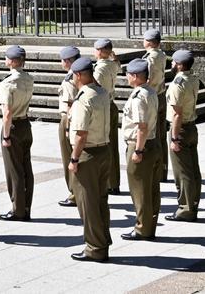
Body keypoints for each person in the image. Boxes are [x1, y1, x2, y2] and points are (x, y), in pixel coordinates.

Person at [66, 57, 111, 263]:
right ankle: (102, 242)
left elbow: (81, 134)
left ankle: (94, 248)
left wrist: (74, 159)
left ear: (78, 75)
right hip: (104, 151)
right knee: (101, 200)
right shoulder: (102, 92)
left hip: (88, 154)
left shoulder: (84, 99)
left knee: (88, 203)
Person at [121, 58, 161, 241]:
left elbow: (141, 126)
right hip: (151, 142)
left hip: (139, 144)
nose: (127, 77)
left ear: (135, 76)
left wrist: (138, 150)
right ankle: (149, 225)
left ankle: (142, 228)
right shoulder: (151, 91)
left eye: (128, 74)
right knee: (151, 188)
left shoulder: (138, 96)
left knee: (140, 189)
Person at [0, 45, 34, 221]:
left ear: (11, 61)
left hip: (13, 127)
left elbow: (7, 113)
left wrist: (5, 136)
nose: (5, 60)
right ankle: (26, 206)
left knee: (14, 170)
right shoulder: (29, 78)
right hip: (26, 123)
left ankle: (17, 209)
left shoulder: (7, 83)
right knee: (26, 167)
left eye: (6, 58)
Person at [165, 49, 202, 222]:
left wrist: (173, 138)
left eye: (173, 62)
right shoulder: (193, 79)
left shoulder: (177, 84)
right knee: (193, 170)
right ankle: (193, 204)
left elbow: (176, 114)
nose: (171, 64)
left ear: (179, 65)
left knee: (183, 172)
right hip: (191, 126)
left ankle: (186, 209)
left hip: (180, 129)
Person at [92, 38, 122, 194]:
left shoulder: (98, 69)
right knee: (113, 144)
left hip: (103, 107)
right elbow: (118, 65)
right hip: (112, 104)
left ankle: (108, 182)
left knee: (104, 145)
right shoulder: (112, 65)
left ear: (99, 51)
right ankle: (114, 181)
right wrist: (114, 56)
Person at [142, 29, 169, 182]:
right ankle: (163, 168)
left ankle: (158, 170)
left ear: (150, 42)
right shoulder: (161, 54)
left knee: (154, 134)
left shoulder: (150, 58)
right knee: (161, 135)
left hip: (153, 96)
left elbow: (149, 78)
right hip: (161, 94)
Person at [56, 46, 81, 207]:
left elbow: (70, 103)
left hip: (69, 118)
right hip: (79, 118)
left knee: (69, 157)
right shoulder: (82, 74)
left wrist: (67, 127)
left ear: (68, 61)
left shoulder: (69, 79)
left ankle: (74, 192)